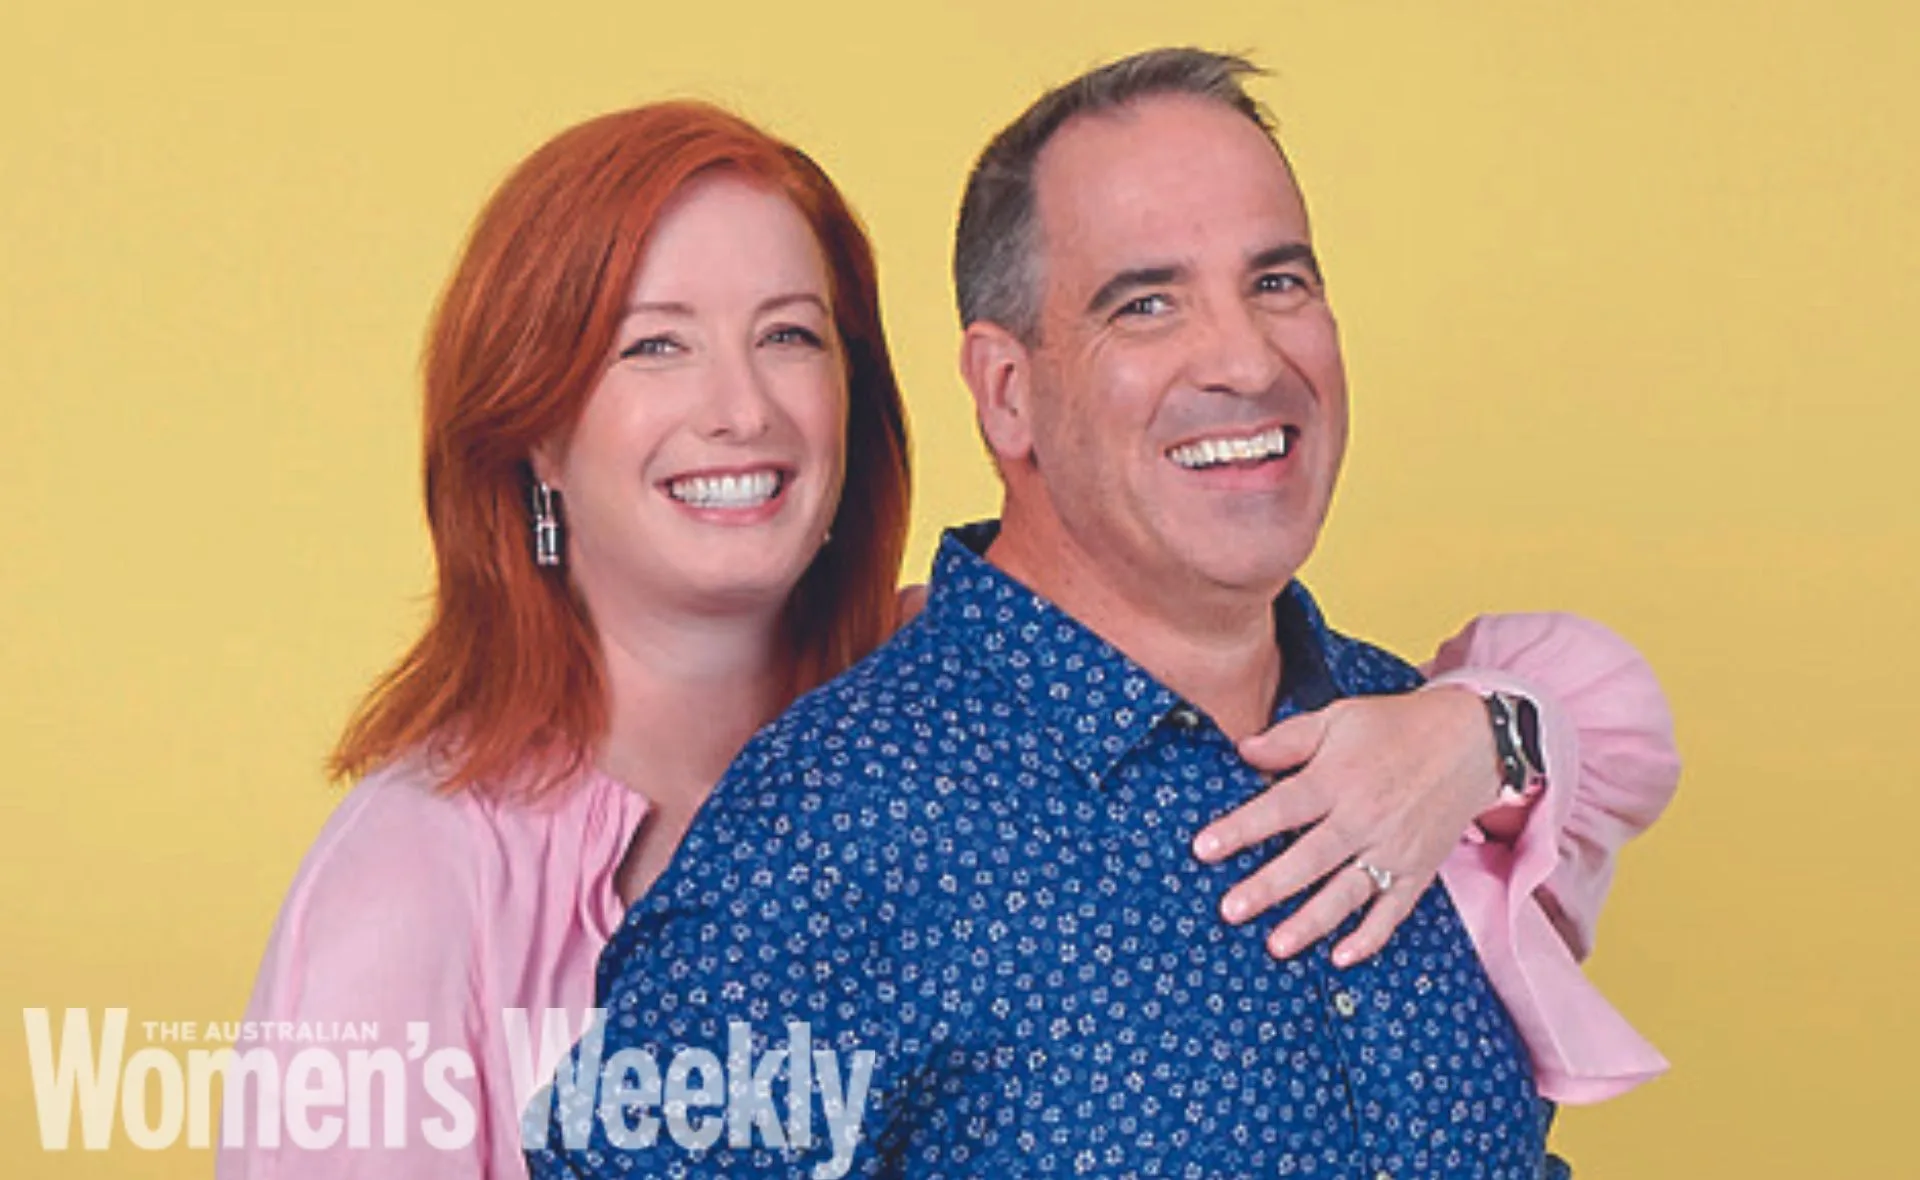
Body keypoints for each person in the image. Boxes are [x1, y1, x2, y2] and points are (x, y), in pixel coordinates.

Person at [226, 93, 1673, 1179]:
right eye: (654, 343)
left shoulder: (1334, 723)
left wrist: (1479, 734)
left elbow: (1612, 719)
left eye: (791, 336)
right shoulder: (781, 830)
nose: (742, 408)